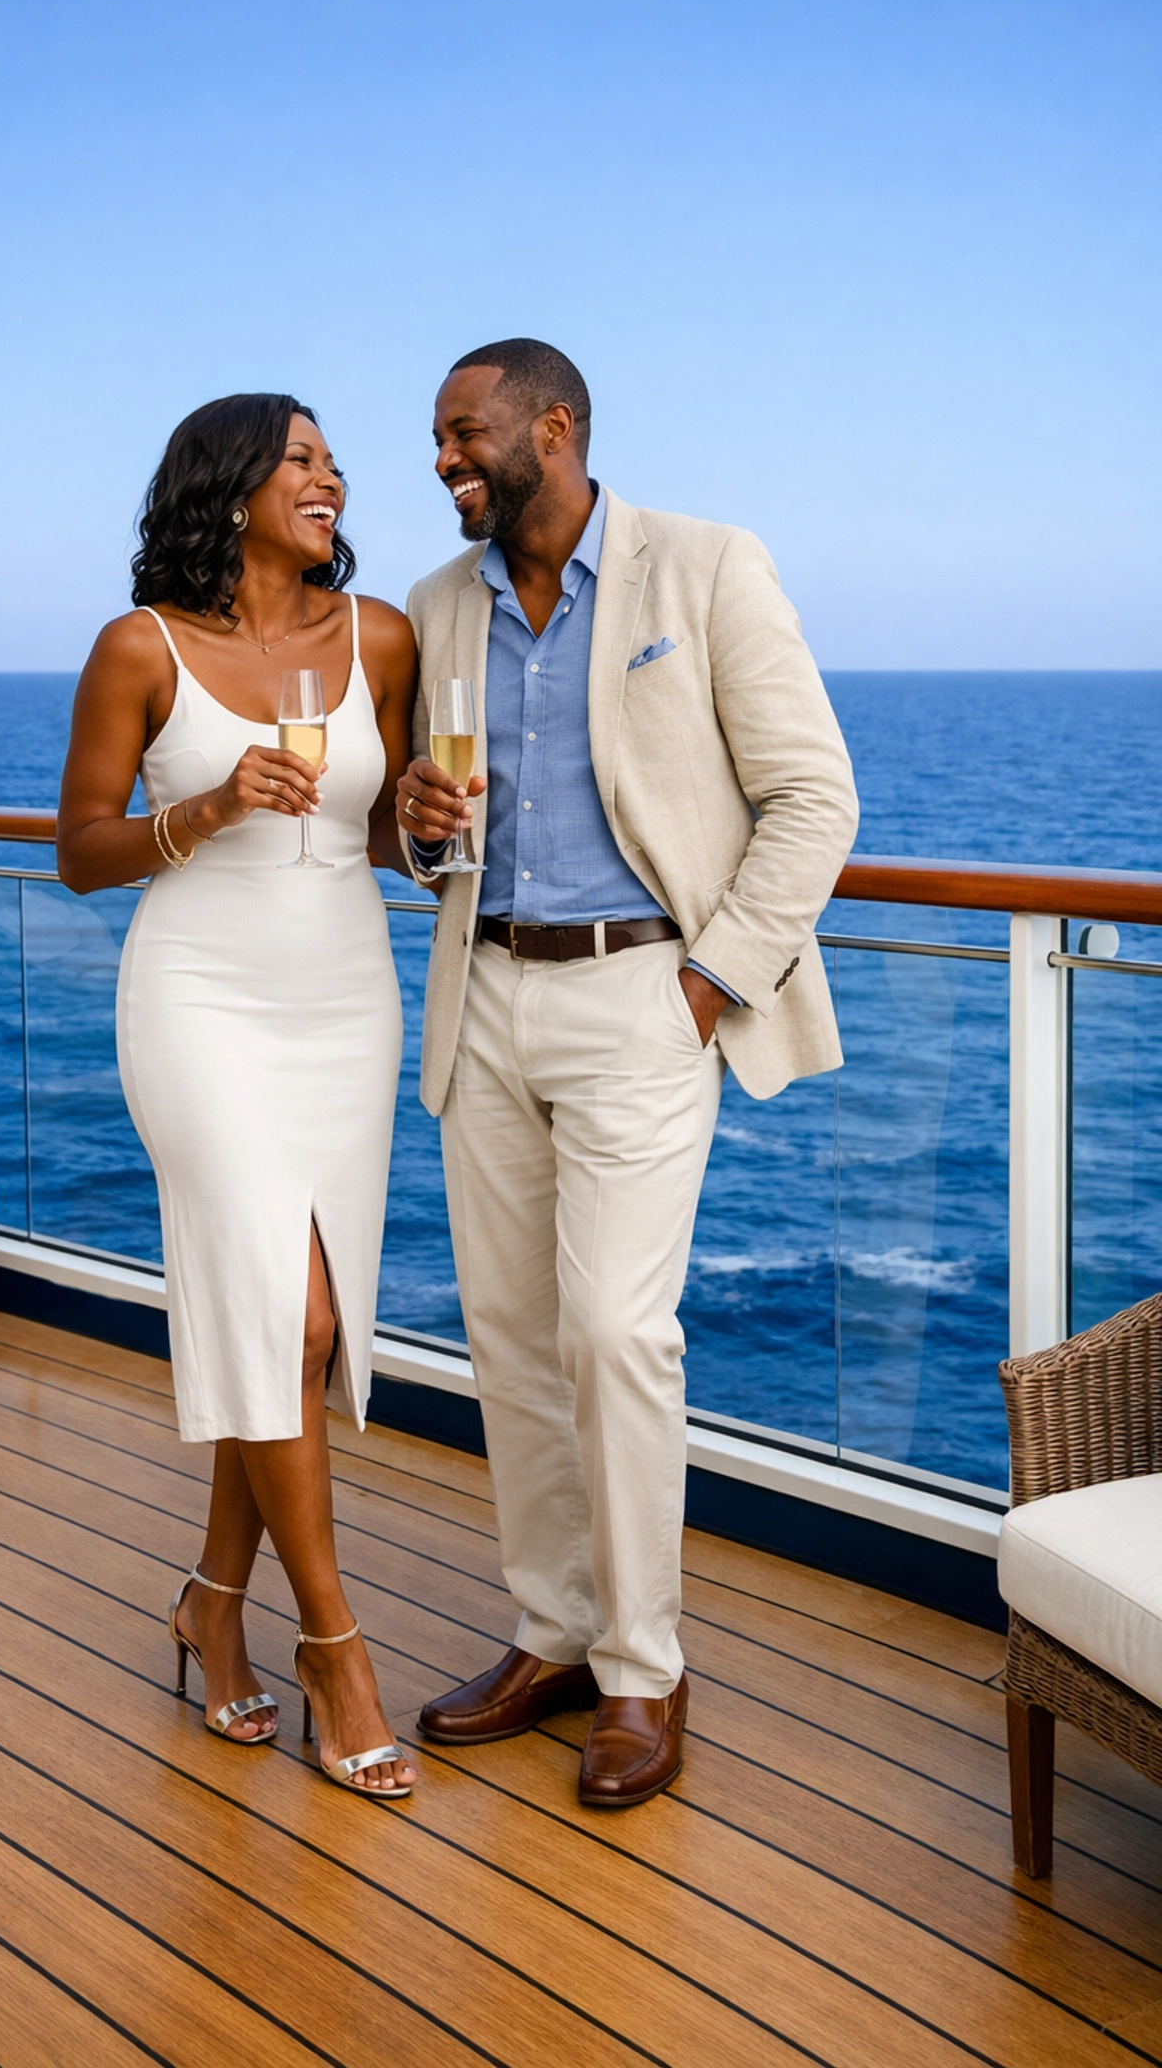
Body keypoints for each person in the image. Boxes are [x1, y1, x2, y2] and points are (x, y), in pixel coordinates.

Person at [395, 340, 858, 1809]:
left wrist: (711, 980)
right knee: (512, 1337)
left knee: (613, 1332)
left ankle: (646, 1670)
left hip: (643, 998)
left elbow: (815, 798)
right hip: (488, 995)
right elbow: (434, 843)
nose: (444, 461)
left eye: (465, 434)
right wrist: (418, 828)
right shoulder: (435, 606)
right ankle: (554, 1636)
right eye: (436, 440)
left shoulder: (706, 567)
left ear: (557, 426)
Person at [58, 393, 419, 1799]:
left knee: (300, 1333)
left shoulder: (378, 633)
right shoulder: (138, 650)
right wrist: (202, 811)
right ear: (229, 488)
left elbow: (380, 824)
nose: (330, 478)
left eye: (333, 461)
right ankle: (337, 1649)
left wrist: (426, 827)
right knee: (292, 1315)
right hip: (198, 1000)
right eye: (301, 460)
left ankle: (214, 1606)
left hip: (346, 1001)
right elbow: (81, 849)